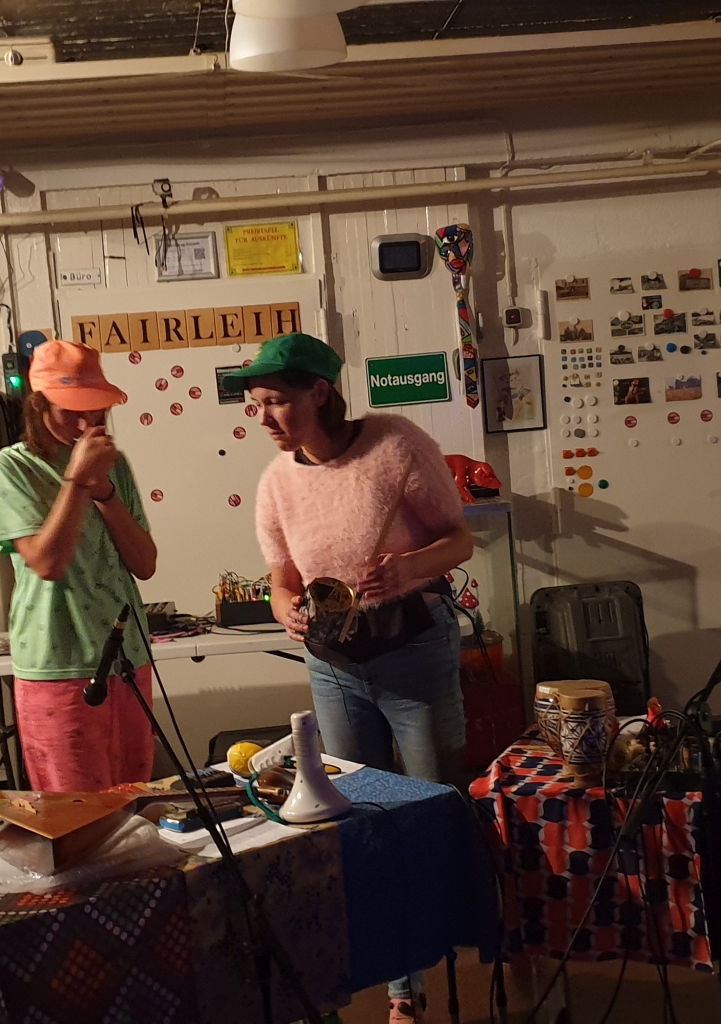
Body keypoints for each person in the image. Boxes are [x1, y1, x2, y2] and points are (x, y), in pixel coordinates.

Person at [232, 333, 474, 1024]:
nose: (264, 417)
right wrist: (283, 605)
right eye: (255, 405)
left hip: (413, 650)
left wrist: (408, 568)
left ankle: (460, 944)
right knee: (356, 815)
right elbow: (282, 576)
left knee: (430, 808)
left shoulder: (395, 445)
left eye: (277, 401)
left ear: (320, 392)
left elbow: (458, 539)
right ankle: (403, 989)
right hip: (334, 663)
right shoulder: (276, 481)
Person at [0, 340, 158, 791]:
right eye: (71, 412)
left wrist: (105, 491)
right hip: (58, 663)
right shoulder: (7, 468)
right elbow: (47, 563)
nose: (86, 424)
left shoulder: (114, 464)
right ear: (38, 405)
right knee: (76, 810)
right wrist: (77, 481)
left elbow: (144, 563)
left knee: (134, 798)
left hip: (128, 657)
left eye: (96, 411)